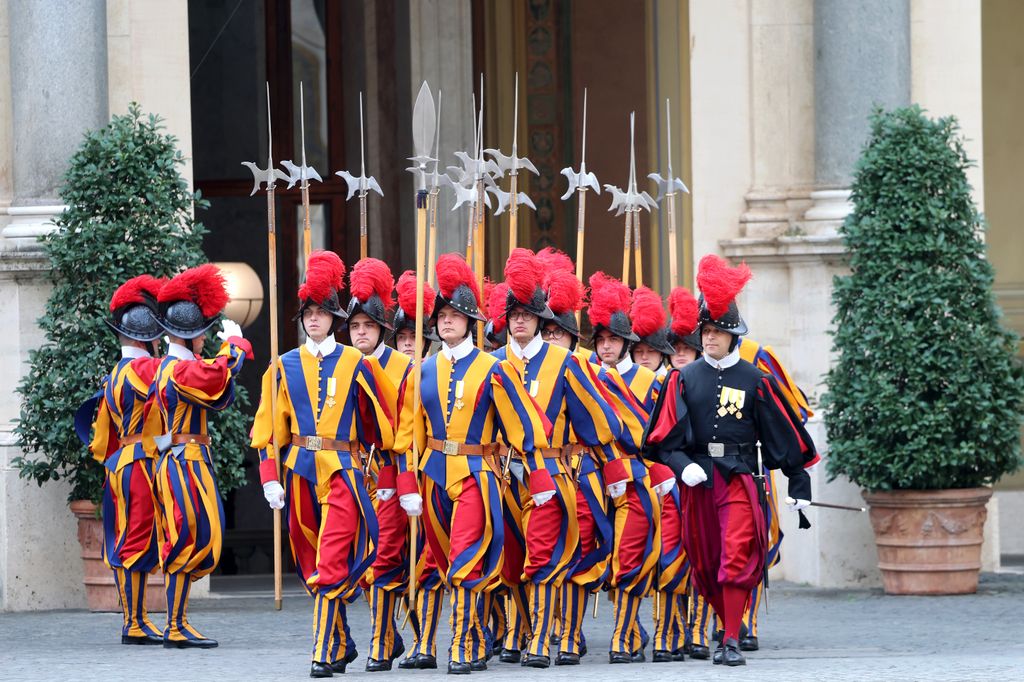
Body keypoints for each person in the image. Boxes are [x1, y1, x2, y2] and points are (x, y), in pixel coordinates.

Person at [643, 254, 818, 667]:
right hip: (698, 479)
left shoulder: (756, 380)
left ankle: (732, 639)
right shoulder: (683, 379)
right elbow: (662, 440)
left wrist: (798, 483)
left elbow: (784, 433)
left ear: (732, 335)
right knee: (705, 562)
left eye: (716, 331)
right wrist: (681, 462)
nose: (708, 338)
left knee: (735, 555)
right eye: (705, 330)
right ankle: (726, 628)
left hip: (740, 478)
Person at [393, 253, 549, 675]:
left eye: (455, 315)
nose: (446, 321)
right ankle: (478, 635)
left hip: (477, 474)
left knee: (465, 558)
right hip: (433, 474)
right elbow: (408, 434)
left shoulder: (492, 367)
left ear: (470, 321)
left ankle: (461, 644)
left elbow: (521, 424)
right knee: (443, 561)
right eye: (441, 315)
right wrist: (407, 482)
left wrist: (537, 473)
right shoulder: (420, 370)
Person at [250, 251, 397, 677]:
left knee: (332, 559)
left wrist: (383, 472)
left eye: (321, 312)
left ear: (335, 317)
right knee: (310, 561)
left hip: (343, 470)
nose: (313, 319)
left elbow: (381, 424)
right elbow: (267, 430)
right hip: (297, 469)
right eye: (308, 313)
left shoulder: (357, 362)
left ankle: (320, 651)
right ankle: (340, 640)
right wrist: (268, 479)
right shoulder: (282, 366)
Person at [492, 249, 625, 668]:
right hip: (500, 473)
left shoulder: (565, 363)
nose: (519, 320)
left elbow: (600, 422)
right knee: (510, 555)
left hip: (554, 469)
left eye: (528, 313)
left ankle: (548, 637)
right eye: (513, 312)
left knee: (546, 553)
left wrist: (609, 465)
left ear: (541, 319)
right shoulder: (491, 362)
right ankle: (517, 629)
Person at [152, 264, 252, 648]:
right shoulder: (178, 368)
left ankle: (178, 621)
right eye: (202, 332)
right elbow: (215, 377)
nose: (206, 338)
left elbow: (215, 390)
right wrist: (234, 347)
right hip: (183, 459)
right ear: (189, 335)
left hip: (188, 457)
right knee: (187, 537)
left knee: (198, 536)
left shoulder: (179, 364)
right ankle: (174, 625)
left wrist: (228, 356)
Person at [82, 275, 166, 645]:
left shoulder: (113, 374)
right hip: (140, 463)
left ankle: (137, 618)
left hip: (118, 462)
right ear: (146, 337)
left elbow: (100, 437)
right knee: (137, 540)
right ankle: (133, 621)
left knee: (127, 539)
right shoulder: (146, 369)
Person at [587, 272, 661, 664]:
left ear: (627, 343)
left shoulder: (648, 381)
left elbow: (659, 434)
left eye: (612, 339)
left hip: (635, 476)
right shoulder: (586, 377)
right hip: (593, 477)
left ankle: (623, 635)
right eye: (599, 340)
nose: (605, 346)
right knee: (595, 557)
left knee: (629, 556)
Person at [346, 257, 414, 672]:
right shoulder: (339, 363)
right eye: (354, 327)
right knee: (361, 557)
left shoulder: (405, 367)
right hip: (352, 471)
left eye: (368, 326)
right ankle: (386, 632)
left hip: (389, 470)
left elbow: (408, 430)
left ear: (381, 329)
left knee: (385, 555)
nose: (360, 333)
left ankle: (381, 640)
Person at [630, 286, 675, 378]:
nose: (644, 357)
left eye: (651, 350)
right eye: (638, 351)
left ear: (661, 355)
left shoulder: (673, 384)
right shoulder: (622, 385)